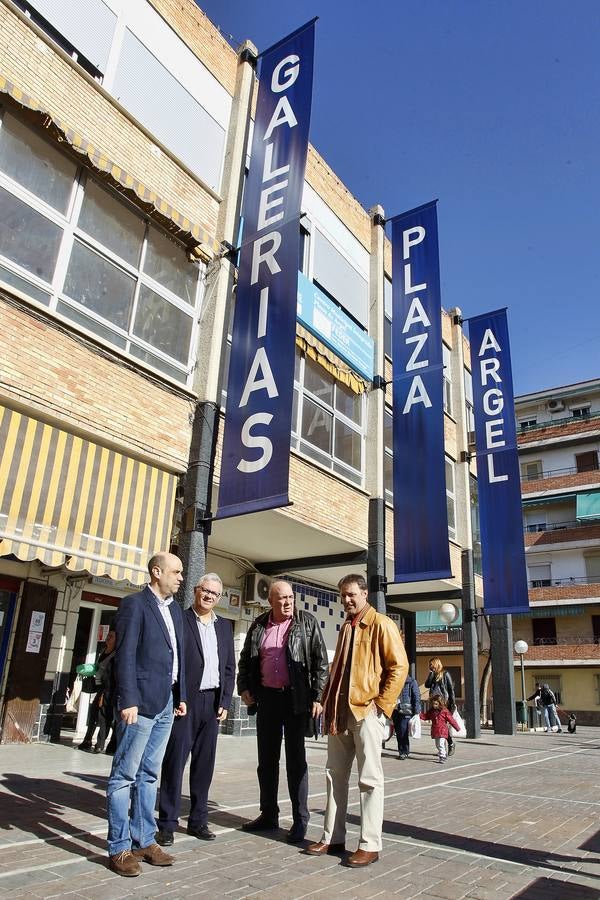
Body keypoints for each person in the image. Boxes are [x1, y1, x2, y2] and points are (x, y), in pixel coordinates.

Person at [306, 574, 408, 868]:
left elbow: (398, 667)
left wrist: (381, 706)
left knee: (370, 779)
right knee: (334, 775)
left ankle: (370, 844)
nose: (346, 600)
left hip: (366, 712)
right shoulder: (346, 627)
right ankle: (332, 836)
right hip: (339, 712)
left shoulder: (381, 624)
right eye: (342, 596)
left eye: (351, 594)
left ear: (365, 593)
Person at [106, 552, 187, 878]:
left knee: (150, 775)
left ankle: (144, 840)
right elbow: (125, 655)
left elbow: (175, 656)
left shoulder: (176, 611)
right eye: (176, 571)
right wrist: (128, 700)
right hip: (138, 704)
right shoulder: (134, 605)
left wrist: (179, 696)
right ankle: (119, 847)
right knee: (124, 775)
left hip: (166, 702)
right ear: (157, 572)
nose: (181, 578)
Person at [237, 579, 328, 843]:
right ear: (271, 602)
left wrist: (318, 696)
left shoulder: (307, 622)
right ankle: (268, 814)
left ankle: (300, 820)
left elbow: (321, 662)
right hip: (267, 699)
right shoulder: (258, 625)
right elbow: (246, 660)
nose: (288, 603)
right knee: (266, 761)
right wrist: (244, 687)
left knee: (296, 761)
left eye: (290, 597)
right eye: (282, 599)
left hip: (295, 700)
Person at [156, 573, 235, 846]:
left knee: (204, 766)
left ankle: (199, 820)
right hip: (185, 703)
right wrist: (178, 696)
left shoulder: (224, 626)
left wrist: (225, 701)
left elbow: (229, 667)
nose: (209, 596)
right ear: (195, 590)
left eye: (214, 593)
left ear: (219, 597)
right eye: (205, 590)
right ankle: (166, 823)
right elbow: (174, 660)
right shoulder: (181, 618)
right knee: (175, 763)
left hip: (212, 704)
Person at [78, 628, 116, 753]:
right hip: (99, 687)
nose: (108, 638)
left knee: (104, 717)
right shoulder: (103, 651)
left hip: (109, 690)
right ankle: (87, 740)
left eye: (111, 636)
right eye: (108, 635)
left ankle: (100, 744)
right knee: (94, 714)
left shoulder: (115, 655)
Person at [424, 657, 457, 756]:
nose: (430, 667)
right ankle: (444, 749)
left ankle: (450, 744)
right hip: (435, 705)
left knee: (442, 726)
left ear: (436, 664)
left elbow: (451, 690)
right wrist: (430, 674)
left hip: (445, 704)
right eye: (429, 665)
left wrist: (452, 705)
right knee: (439, 726)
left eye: (431, 665)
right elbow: (427, 685)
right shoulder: (433, 676)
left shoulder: (445, 674)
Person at [420, 695, 459, 763]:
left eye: (436, 704)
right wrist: (419, 715)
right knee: (438, 745)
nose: (434, 705)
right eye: (433, 704)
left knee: (441, 744)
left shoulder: (444, 711)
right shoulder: (431, 711)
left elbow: (451, 720)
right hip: (435, 730)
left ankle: (442, 756)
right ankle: (443, 753)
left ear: (440, 703)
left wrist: (457, 727)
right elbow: (426, 716)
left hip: (443, 730)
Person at [392, 673, 421, 759]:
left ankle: (404, 751)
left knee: (403, 731)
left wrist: (416, 711)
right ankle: (402, 750)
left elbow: (416, 696)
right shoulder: (394, 681)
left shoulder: (411, 682)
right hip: (395, 709)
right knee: (398, 731)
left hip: (406, 710)